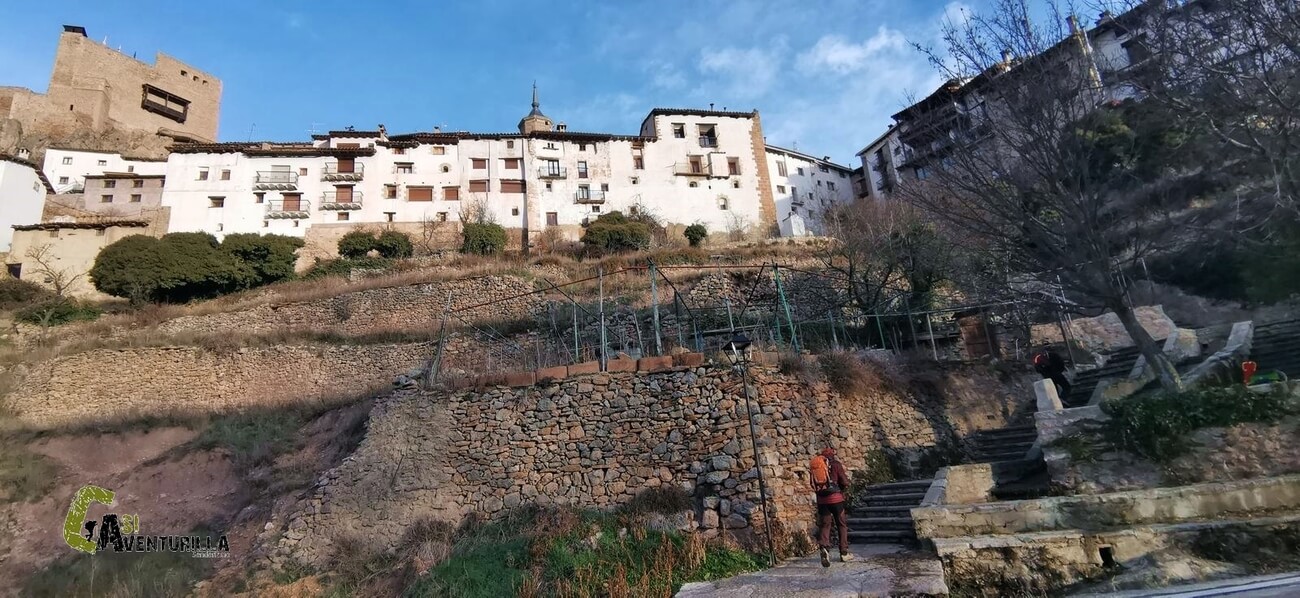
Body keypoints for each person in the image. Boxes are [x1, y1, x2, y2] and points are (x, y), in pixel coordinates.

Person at [810, 447, 853, 566]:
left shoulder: (816, 466)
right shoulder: (836, 464)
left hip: (822, 501)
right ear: (832, 455)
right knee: (842, 524)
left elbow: (812, 483)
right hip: (836, 499)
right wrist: (843, 488)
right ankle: (844, 553)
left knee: (825, 525)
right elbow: (844, 482)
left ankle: (824, 547)